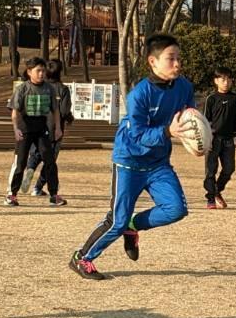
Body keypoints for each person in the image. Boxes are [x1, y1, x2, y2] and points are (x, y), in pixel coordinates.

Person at [69, 34, 195, 280]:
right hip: (129, 161)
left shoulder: (184, 87)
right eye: (171, 59)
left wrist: (197, 138)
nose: (177, 64)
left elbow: (190, 117)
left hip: (158, 163)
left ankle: (132, 226)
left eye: (179, 58)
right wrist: (167, 132)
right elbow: (137, 135)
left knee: (176, 209)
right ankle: (82, 258)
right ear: (152, 61)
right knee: (117, 221)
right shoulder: (140, 94)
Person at [5, 57, 63, 206]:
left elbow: (55, 111)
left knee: (50, 161)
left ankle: (54, 195)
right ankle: (11, 195)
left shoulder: (49, 89)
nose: (41, 74)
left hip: (42, 128)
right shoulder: (22, 89)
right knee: (20, 162)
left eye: (43, 70)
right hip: (25, 128)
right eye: (38, 71)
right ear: (29, 72)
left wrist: (58, 128)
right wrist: (16, 129)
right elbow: (15, 112)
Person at [23, 58, 74, 197]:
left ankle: (30, 169)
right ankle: (37, 187)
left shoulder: (41, 88)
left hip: (37, 126)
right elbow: (64, 111)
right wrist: (69, 118)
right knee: (49, 161)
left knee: (35, 154)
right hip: (54, 129)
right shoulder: (63, 89)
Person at [201, 67, 236, 210]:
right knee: (211, 170)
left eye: (229, 79)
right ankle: (211, 198)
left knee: (229, 168)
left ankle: (217, 190)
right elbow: (205, 121)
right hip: (213, 139)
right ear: (216, 81)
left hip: (229, 139)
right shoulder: (211, 99)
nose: (226, 82)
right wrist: (207, 139)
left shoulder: (235, 98)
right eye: (223, 79)